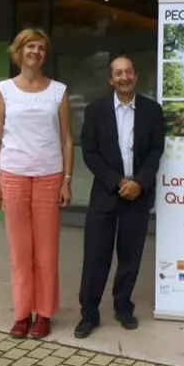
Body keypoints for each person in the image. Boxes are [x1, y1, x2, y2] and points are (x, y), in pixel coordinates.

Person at [0, 28, 74, 339]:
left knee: (46, 252)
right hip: (12, 177)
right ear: (19, 52)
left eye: (40, 47)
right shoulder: (3, 91)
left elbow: (66, 139)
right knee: (20, 252)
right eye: (30, 47)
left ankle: (45, 314)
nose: (35, 52)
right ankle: (23, 313)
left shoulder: (58, 92)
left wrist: (66, 179)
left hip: (50, 178)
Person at [74, 55, 165, 338]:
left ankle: (123, 306)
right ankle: (89, 313)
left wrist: (139, 182)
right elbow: (89, 152)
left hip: (137, 196)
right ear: (110, 79)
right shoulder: (95, 110)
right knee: (95, 258)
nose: (124, 77)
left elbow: (155, 151)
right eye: (118, 73)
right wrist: (117, 181)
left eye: (128, 72)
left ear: (135, 76)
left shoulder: (152, 110)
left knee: (130, 256)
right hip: (105, 195)